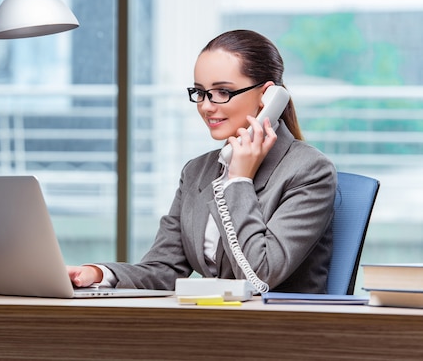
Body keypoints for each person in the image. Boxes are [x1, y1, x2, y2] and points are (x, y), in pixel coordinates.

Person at [68, 29, 337, 293]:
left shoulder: (309, 170)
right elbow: (165, 268)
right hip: (213, 324)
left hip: (278, 329)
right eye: (200, 92)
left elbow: (261, 275)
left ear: (267, 96)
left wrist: (239, 181)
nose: (207, 106)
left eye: (222, 92)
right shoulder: (198, 171)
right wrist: (99, 274)